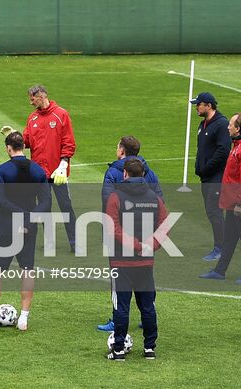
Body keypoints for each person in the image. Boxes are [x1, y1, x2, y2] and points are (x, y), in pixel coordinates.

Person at [0, 132, 50, 333]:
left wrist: (19, 215)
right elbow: (46, 202)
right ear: (23, 147)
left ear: (8, 148)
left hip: (6, 225)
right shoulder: (38, 170)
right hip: (30, 226)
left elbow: (0, 200)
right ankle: (23, 319)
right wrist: (29, 216)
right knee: (28, 269)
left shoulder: (2, 170)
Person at [104, 158, 167, 360]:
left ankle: (119, 350)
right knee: (147, 306)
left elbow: (113, 227)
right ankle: (149, 348)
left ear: (124, 174)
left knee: (121, 307)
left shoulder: (115, 197)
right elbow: (165, 225)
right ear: (142, 175)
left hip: (121, 262)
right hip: (145, 263)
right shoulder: (154, 198)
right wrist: (151, 245)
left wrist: (137, 246)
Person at [97, 136, 161, 331]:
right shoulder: (150, 173)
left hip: (120, 237)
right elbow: (160, 202)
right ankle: (148, 315)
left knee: (119, 278)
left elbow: (108, 203)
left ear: (122, 151)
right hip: (145, 235)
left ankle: (118, 320)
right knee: (145, 275)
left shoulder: (113, 173)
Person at [6, 84, 76, 251]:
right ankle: (49, 242)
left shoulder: (61, 115)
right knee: (44, 208)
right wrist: (12, 135)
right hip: (38, 173)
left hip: (57, 172)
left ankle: (74, 242)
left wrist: (63, 164)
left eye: (32, 99)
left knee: (65, 206)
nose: (31, 103)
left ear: (42, 95)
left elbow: (69, 143)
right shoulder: (32, 118)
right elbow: (26, 142)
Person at [201, 112, 241, 284]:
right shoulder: (239, 144)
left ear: (238, 128)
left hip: (240, 204)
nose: (227, 127)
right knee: (230, 237)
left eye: (230, 124)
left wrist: (239, 203)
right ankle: (220, 271)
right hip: (233, 203)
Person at [193, 92, 232, 262]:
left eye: (198, 104)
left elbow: (223, 151)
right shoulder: (203, 125)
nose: (196, 107)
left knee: (214, 212)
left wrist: (207, 168)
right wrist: (198, 168)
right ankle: (221, 245)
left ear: (208, 105)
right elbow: (201, 150)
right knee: (211, 212)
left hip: (217, 177)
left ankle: (221, 248)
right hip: (206, 177)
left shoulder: (221, 124)